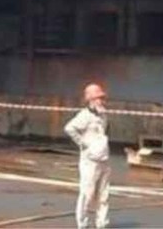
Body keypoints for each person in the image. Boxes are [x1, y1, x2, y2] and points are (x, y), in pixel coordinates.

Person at [64, 83, 110, 229]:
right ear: (90, 99)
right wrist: (83, 144)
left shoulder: (103, 114)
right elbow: (69, 128)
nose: (101, 101)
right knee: (87, 194)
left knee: (104, 195)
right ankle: (83, 224)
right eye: (98, 98)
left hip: (103, 159)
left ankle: (102, 224)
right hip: (90, 161)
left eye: (102, 98)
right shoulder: (84, 115)